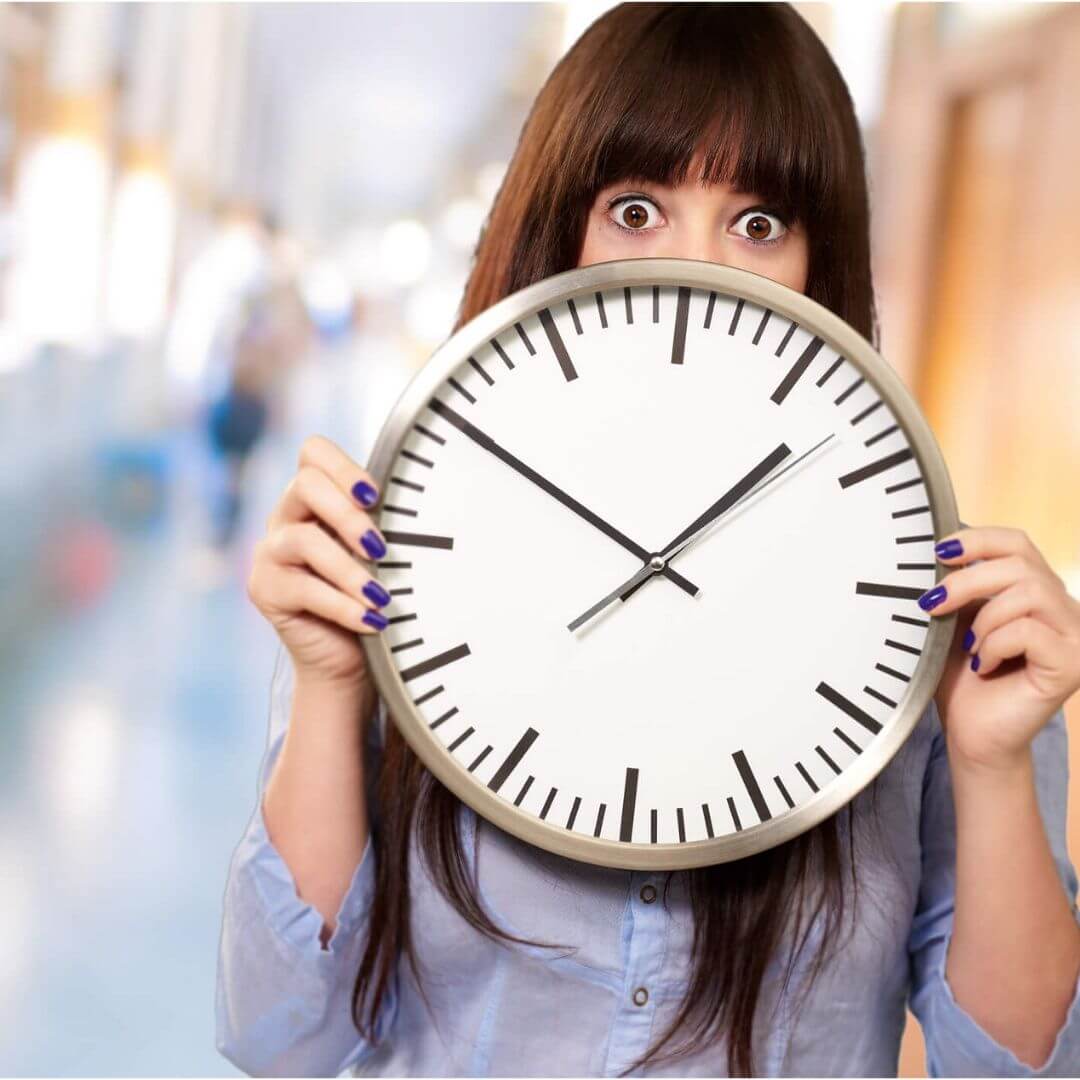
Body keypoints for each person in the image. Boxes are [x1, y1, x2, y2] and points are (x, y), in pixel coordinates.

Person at [215, 4, 1080, 1076]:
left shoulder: (928, 604)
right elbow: (279, 1038)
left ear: (823, 261)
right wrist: (331, 684)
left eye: (758, 223)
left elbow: (1013, 1066)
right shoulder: (413, 543)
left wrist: (993, 766)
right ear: (557, 228)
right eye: (636, 207)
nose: (693, 264)